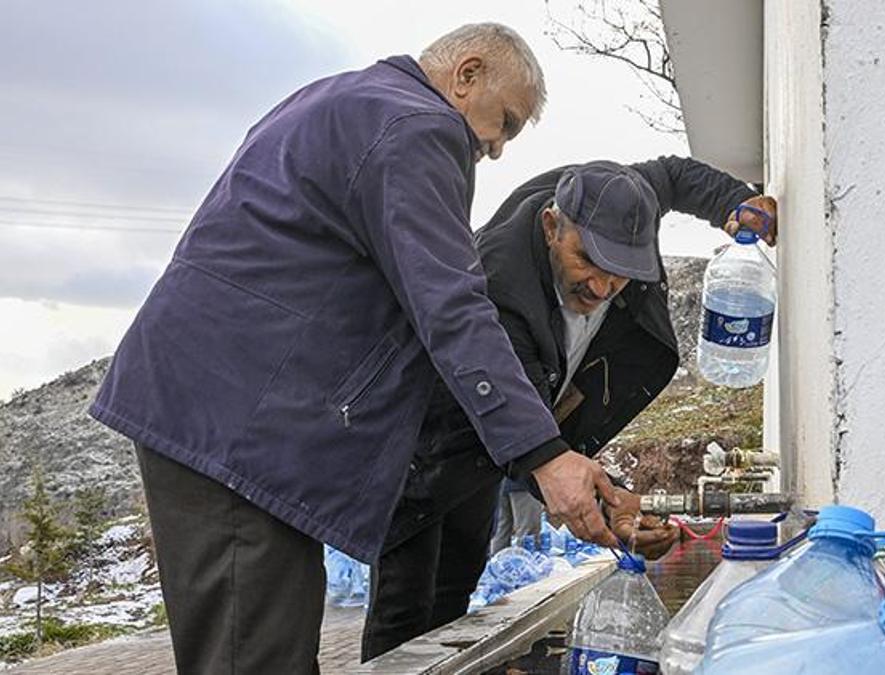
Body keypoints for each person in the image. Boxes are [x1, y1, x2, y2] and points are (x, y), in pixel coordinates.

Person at [88, 24, 621, 674]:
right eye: (504, 123)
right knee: (254, 659)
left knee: (270, 651)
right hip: (234, 430)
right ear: (467, 73)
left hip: (228, 419)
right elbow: (451, 308)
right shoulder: (416, 128)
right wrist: (544, 454)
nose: (498, 148)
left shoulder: (344, 101)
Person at [362, 158, 778, 660]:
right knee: (406, 609)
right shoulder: (498, 289)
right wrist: (606, 505)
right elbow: (530, 431)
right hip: (428, 438)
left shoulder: (622, 199)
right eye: (587, 261)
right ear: (551, 226)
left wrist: (731, 201)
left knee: (454, 595)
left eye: (620, 274)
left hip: (492, 452)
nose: (602, 288)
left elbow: (671, 177)